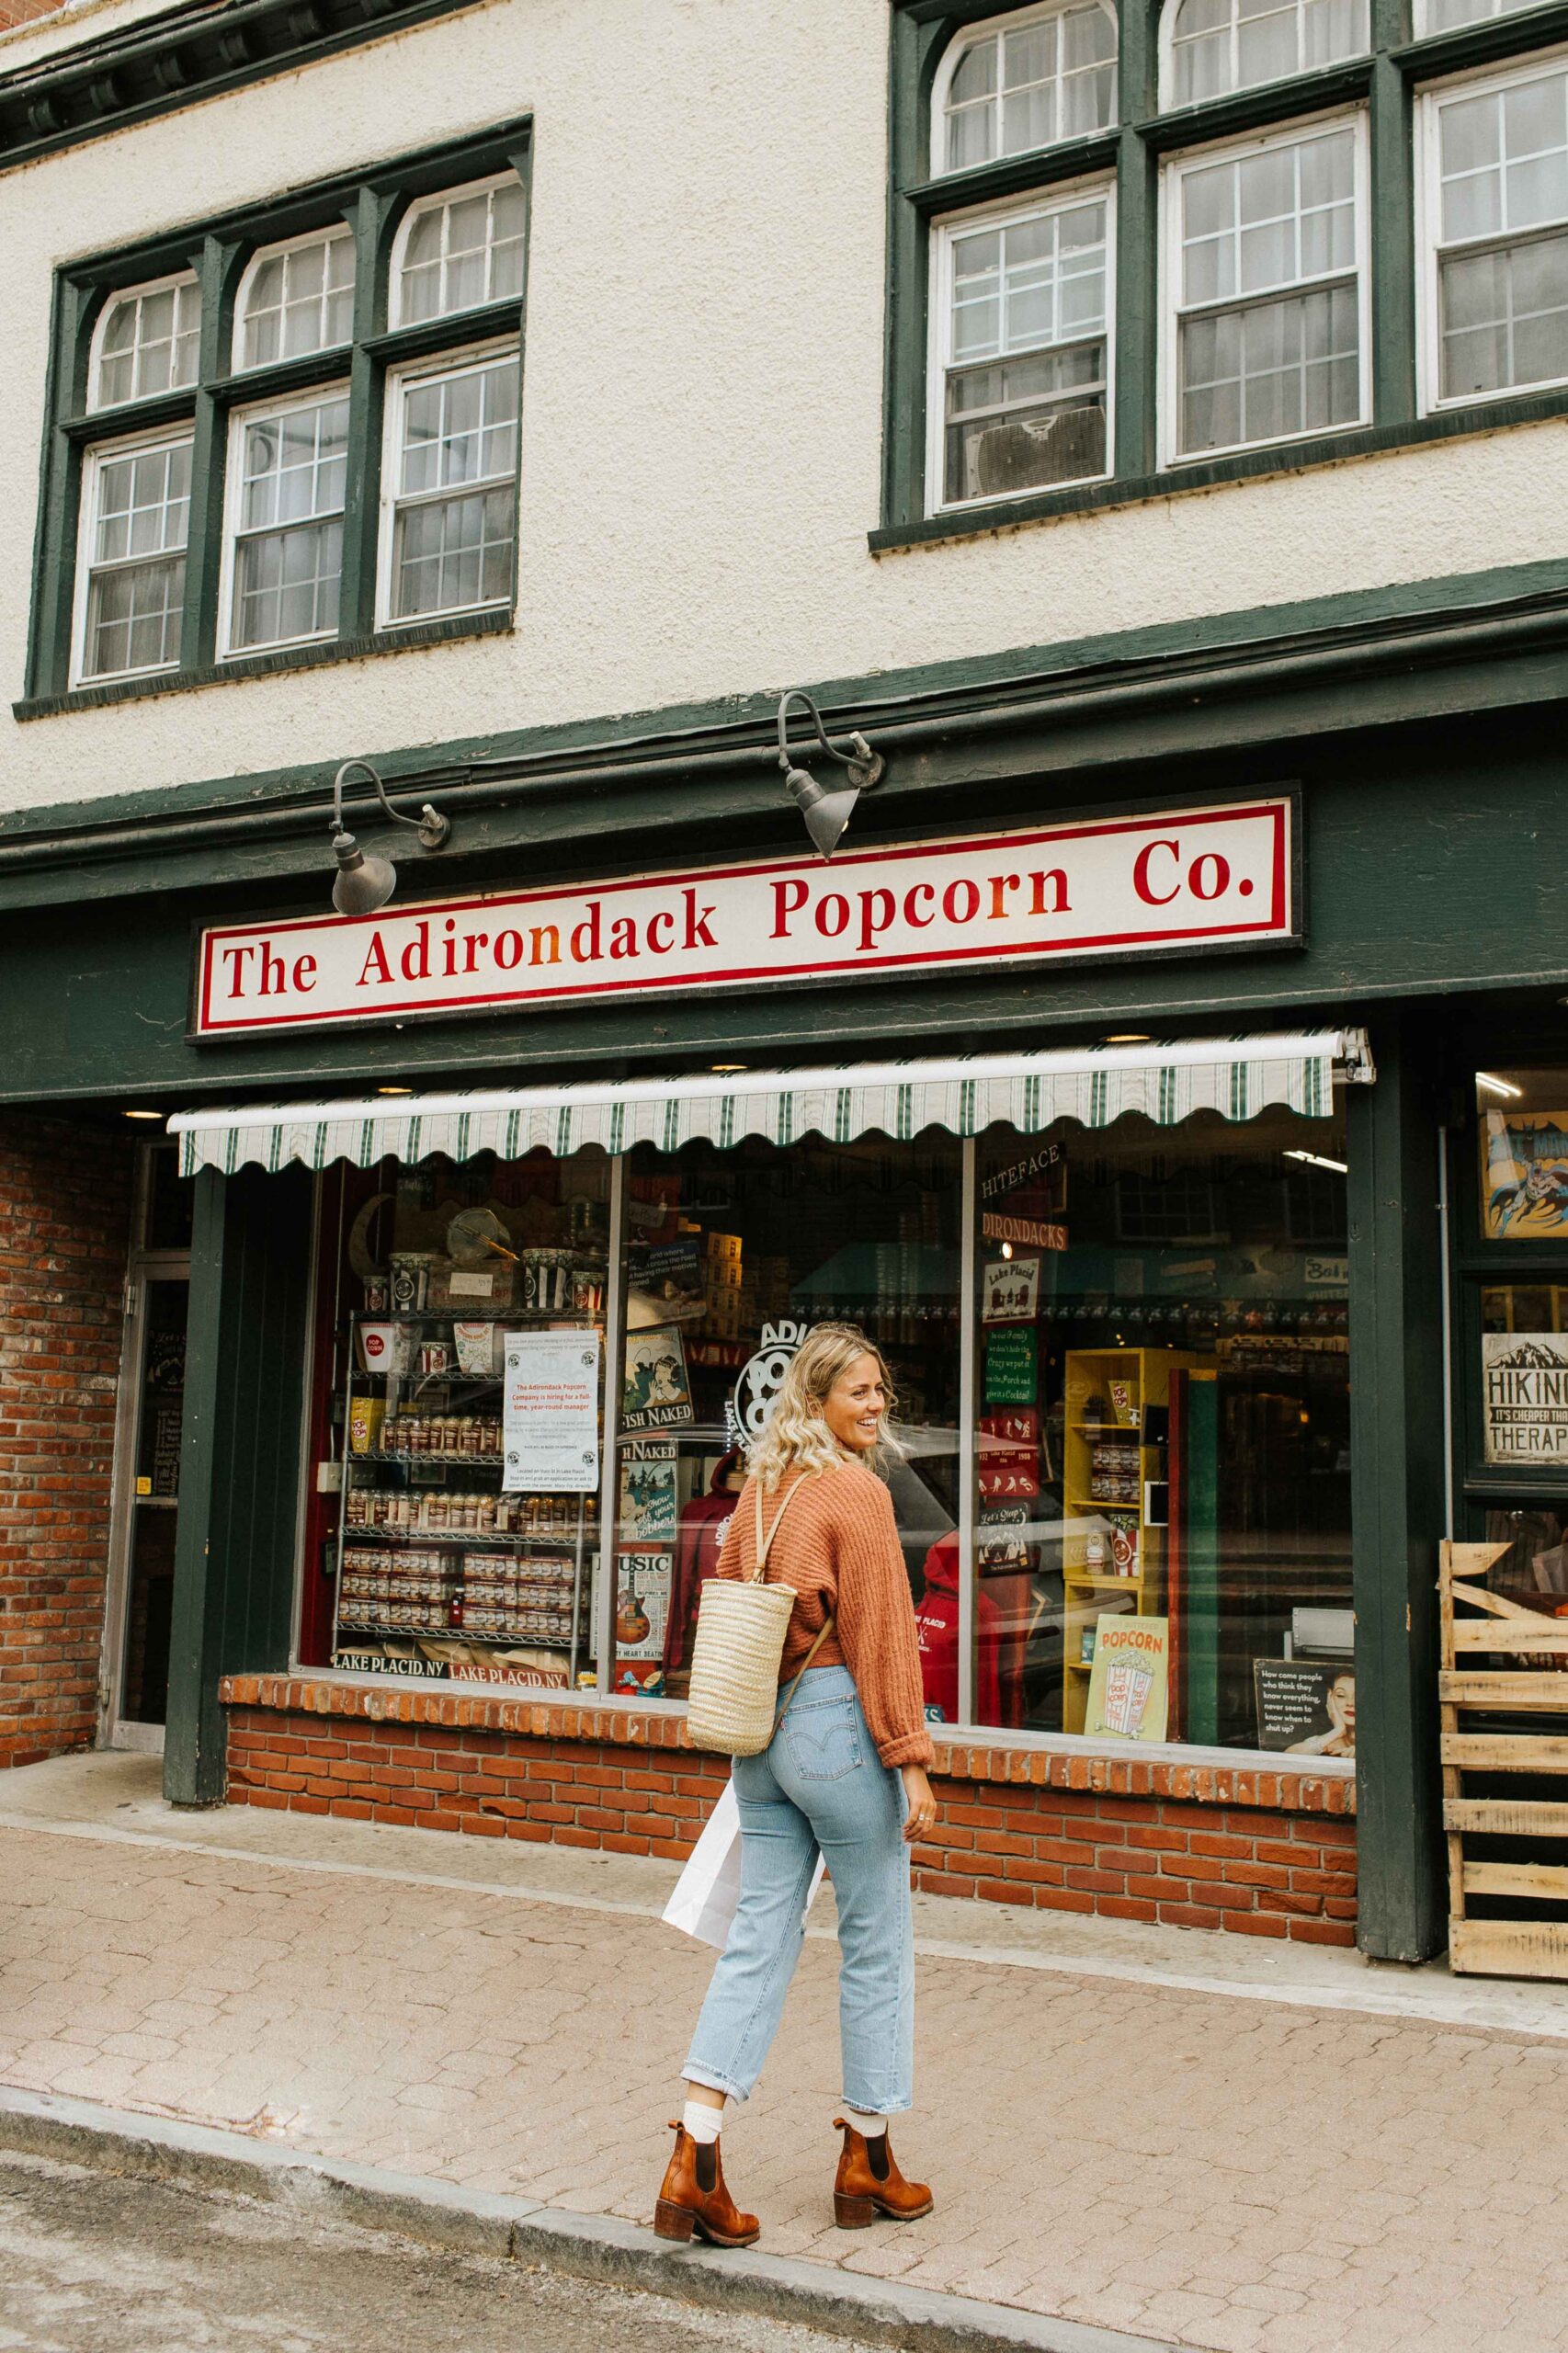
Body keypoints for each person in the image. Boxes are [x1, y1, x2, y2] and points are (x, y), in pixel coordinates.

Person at [654, 1324, 938, 2248]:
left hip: (759, 1736)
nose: (875, 1405)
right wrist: (910, 1760)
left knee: (756, 1937)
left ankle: (694, 2154)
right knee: (875, 1940)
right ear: (814, 1398)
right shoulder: (854, 1493)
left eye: (881, 1390)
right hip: (833, 1729)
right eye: (858, 1390)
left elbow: (728, 1601)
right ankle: (869, 2156)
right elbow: (884, 1634)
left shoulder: (761, 1492)